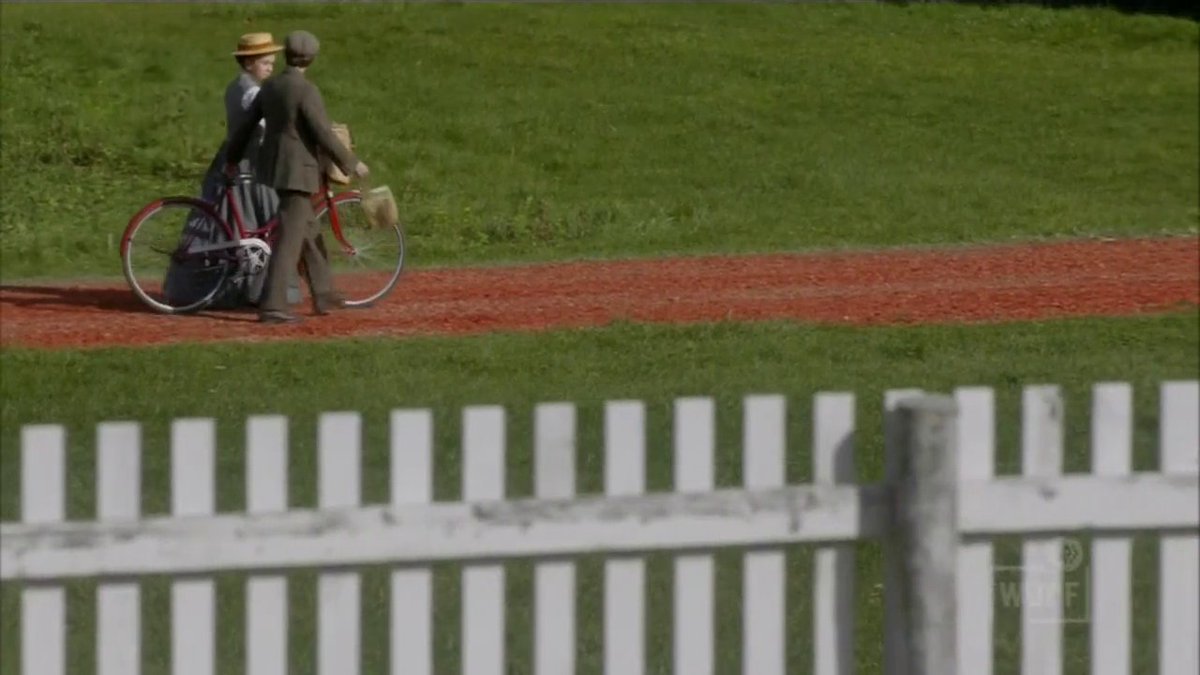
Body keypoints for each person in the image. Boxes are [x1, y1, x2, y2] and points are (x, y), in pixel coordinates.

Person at [224, 29, 369, 324]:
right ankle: (273, 306)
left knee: (308, 231)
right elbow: (322, 132)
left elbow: (247, 126)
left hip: (274, 167)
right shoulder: (306, 90)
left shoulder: (271, 86)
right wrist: (351, 163)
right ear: (311, 58)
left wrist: (231, 158)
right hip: (298, 172)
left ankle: (324, 292)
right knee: (289, 240)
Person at [162, 32, 301, 308]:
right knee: (249, 225)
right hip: (247, 166)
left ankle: (255, 289)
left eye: (272, 62)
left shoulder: (241, 86)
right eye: (265, 62)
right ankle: (238, 290)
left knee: (252, 226)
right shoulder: (249, 92)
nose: (271, 66)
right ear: (249, 63)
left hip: (249, 161)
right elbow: (265, 126)